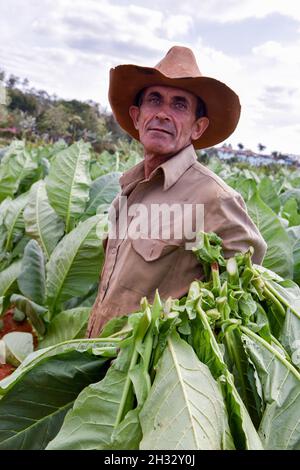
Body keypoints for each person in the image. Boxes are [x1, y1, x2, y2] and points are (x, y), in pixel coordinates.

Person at [86, 46, 267, 337]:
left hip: (146, 374)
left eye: (179, 105)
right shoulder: (128, 188)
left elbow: (242, 291)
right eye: (154, 100)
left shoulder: (214, 198)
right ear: (136, 116)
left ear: (198, 127)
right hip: (99, 360)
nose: (162, 114)